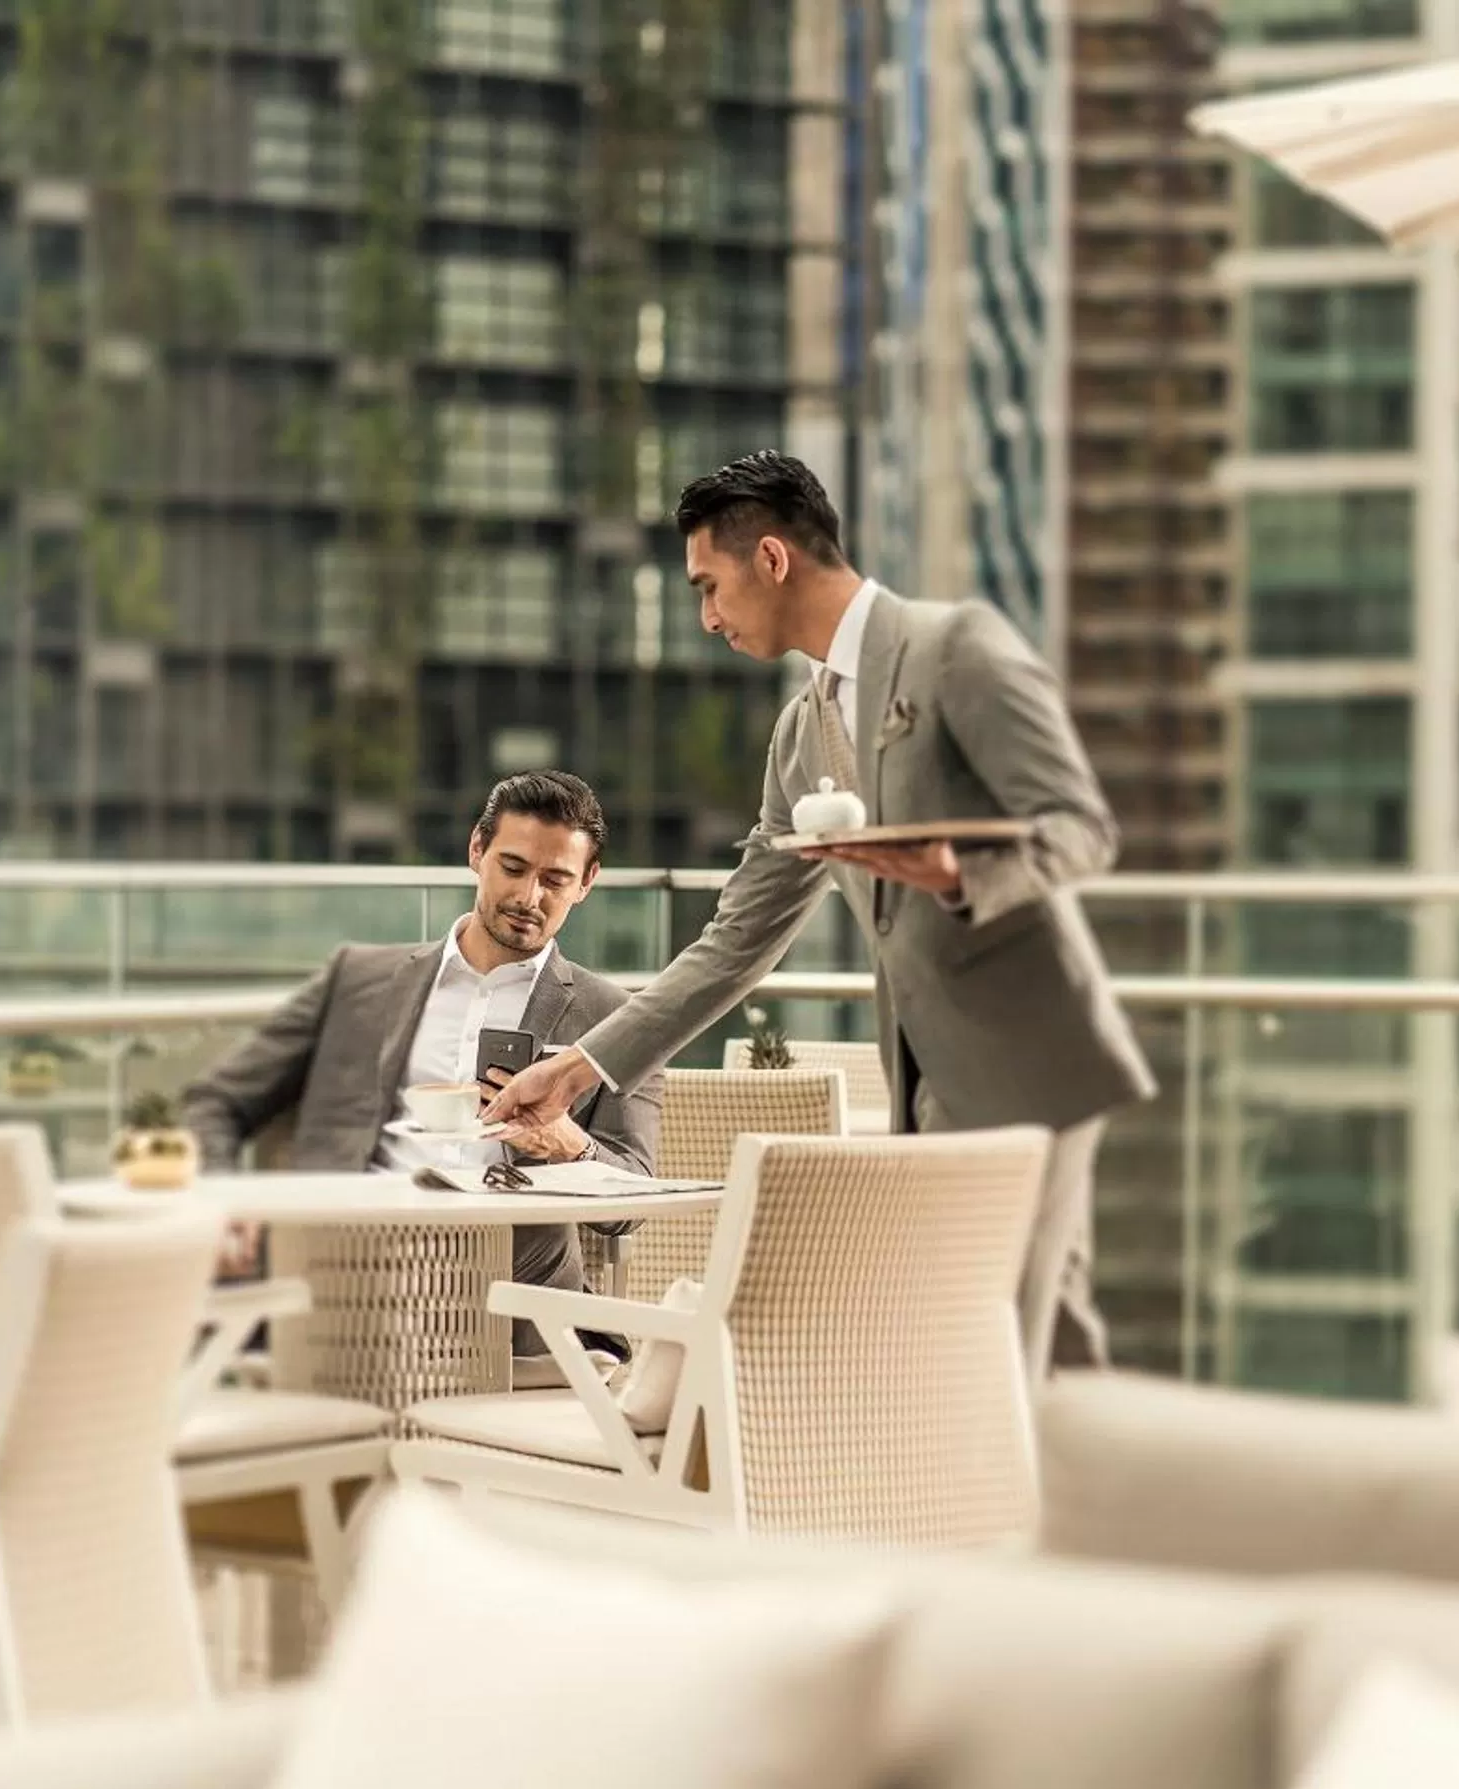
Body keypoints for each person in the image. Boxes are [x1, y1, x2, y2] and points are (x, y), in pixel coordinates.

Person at [484, 452, 1154, 1371]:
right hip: (927, 1084)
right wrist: (580, 1068)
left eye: (708, 587)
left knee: (1001, 1346)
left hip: (1027, 1063)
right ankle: (1094, 1509)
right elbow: (736, 942)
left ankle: (1007, 1515)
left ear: (770, 559)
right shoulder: (801, 736)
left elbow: (1082, 830)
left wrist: (957, 875)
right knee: (1038, 1345)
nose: (707, 617)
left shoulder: (954, 646)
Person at [181, 772, 662, 1342]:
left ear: (587, 882)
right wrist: (218, 1206)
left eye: (555, 879)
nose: (529, 898)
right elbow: (216, 1102)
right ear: (476, 851)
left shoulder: (619, 1019)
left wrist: (565, 1143)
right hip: (339, 1277)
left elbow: (631, 1201)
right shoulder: (357, 979)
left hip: (509, 1302)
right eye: (513, 868)